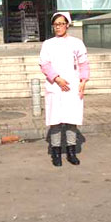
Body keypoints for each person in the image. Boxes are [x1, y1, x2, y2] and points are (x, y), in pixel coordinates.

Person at [39, 12, 90, 167]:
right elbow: (44, 64)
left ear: (67, 25)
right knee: (55, 120)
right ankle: (56, 152)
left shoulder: (76, 43)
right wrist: (57, 79)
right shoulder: (48, 44)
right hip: (55, 85)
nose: (58, 27)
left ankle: (71, 151)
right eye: (55, 24)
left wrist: (83, 81)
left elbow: (83, 63)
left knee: (71, 119)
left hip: (72, 85)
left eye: (61, 24)